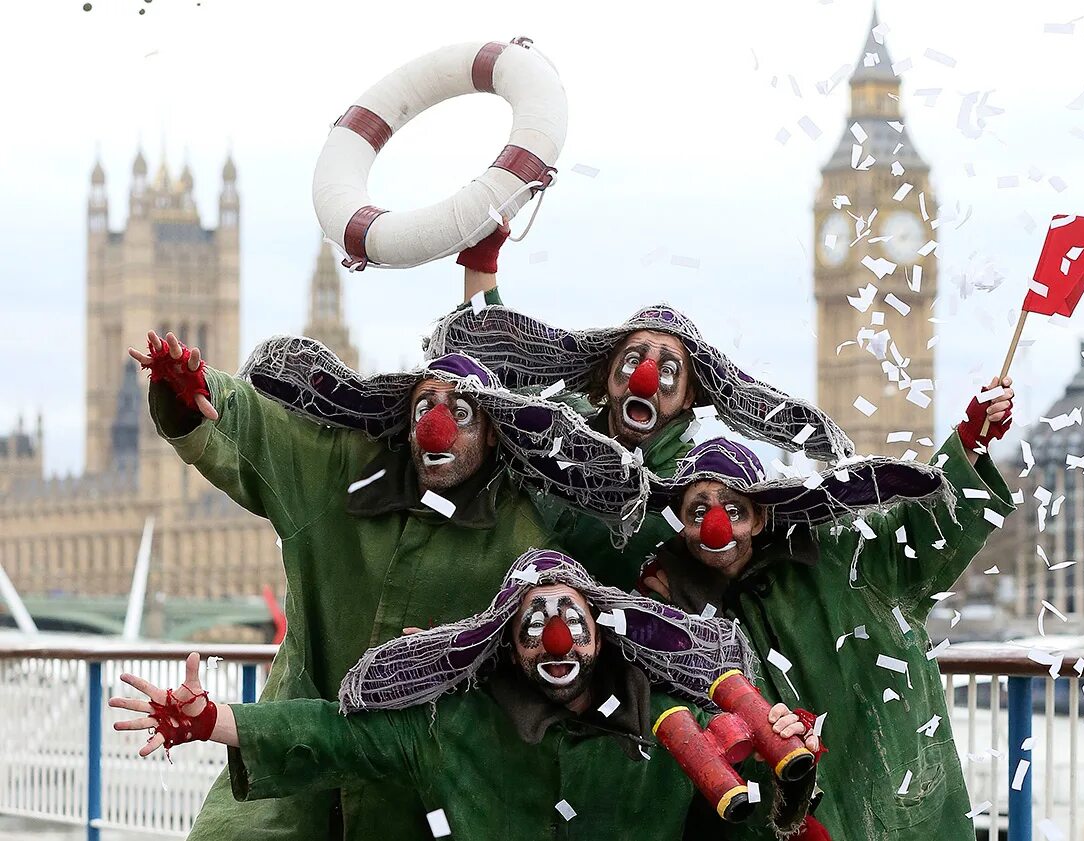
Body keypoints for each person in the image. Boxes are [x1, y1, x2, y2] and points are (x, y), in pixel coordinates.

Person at [132, 332, 652, 841]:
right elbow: (263, 432)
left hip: (418, 792)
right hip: (291, 774)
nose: (437, 428)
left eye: (462, 411)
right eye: (424, 408)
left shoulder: (522, 538)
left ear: (493, 431)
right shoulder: (342, 475)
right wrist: (196, 394)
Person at [111, 550, 829, 840]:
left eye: (571, 622)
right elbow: (330, 731)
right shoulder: (451, 727)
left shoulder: (673, 726)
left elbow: (764, 821)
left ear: (601, 635)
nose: (556, 641)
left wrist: (788, 775)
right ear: (506, 644)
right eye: (536, 625)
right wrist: (214, 718)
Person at [640, 379, 1017, 841]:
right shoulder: (670, 611)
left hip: (894, 807)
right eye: (699, 512)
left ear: (760, 516)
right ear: (682, 526)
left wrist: (968, 444)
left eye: (734, 510)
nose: (717, 526)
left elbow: (920, 527)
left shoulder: (844, 552)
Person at [435, 229, 852, 589]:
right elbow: (493, 357)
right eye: (633, 360)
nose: (645, 380)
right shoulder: (555, 422)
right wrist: (481, 258)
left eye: (668, 370)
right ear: (609, 371)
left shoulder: (696, 484)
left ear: (690, 396)